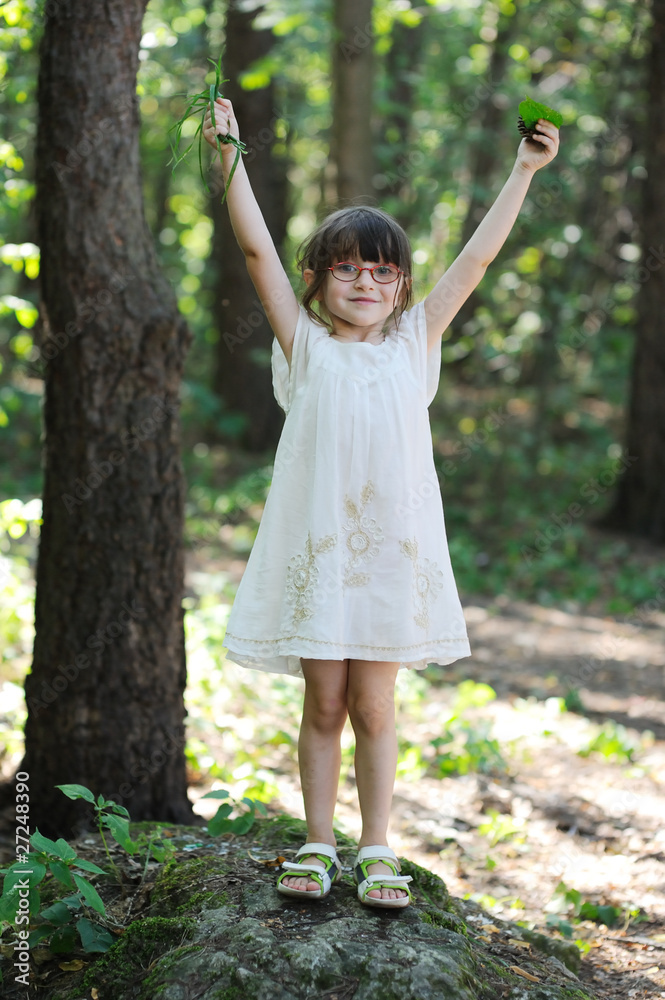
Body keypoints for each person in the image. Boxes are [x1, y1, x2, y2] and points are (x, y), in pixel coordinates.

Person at [202, 98, 559, 908]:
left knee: (374, 703)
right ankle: (318, 841)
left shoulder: (413, 346)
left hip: (393, 560)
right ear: (319, 280)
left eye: (383, 270)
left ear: (401, 288)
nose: (366, 281)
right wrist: (229, 155)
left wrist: (522, 172)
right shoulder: (305, 344)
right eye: (347, 267)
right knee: (323, 701)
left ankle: (376, 848)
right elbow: (256, 251)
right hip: (321, 553)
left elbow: (472, 262)